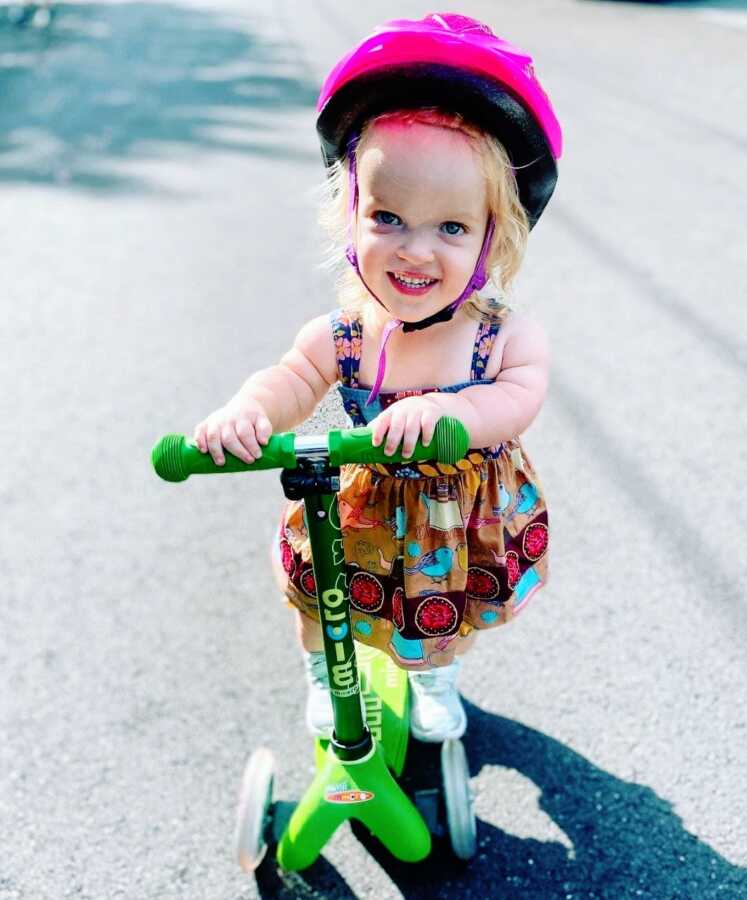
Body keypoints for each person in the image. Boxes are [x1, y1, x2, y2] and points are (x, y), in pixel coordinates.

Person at [192, 13, 562, 743]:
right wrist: (248, 411)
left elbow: (520, 396)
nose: (415, 251)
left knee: (441, 611)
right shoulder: (345, 336)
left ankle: (433, 677)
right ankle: (326, 677)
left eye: (452, 228)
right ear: (350, 216)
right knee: (315, 596)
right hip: (353, 512)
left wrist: (452, 417)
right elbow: (293, 378)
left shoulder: (499, 338)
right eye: (388, 216)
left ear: (496, 235)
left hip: (453, 518)